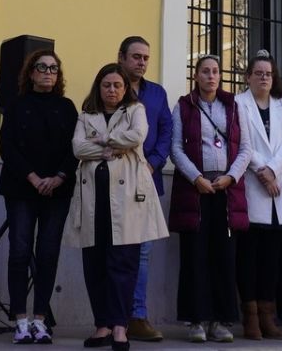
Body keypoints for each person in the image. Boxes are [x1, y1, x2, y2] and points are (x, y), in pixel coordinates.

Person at [73, 64, 170, 351]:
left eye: (117, 85)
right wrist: (113, 147)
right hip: (94, 199)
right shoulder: (86, 114)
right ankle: (101, 325)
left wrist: (102, 140)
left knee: (123, 264)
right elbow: (78, 148)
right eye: (107, 85)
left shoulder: (135, 110)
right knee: (95, 263)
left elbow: (137, 137)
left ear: (125, 89)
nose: (112, 90)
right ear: (98, 87)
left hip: (127, 199)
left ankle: (119, 327)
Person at [0, 47, 77, 346]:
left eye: (53, 68)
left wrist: (58, 178)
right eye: (42, 67)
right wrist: (33, 177)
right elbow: (7, 148)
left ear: (58, 75)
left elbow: (75, 148)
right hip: (21, 188)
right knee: (19, 252)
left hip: (57, 192)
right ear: (31, 72)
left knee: (47, 254)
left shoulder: (68, 107)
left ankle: (40, 321)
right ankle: (20, 321)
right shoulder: (16, 104)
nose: (47, 72)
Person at [169, 55, 246, 343]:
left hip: (225, 190)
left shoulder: (234, 107)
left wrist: (231, 176)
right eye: (205, 71)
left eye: (215, 71)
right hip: (195, 190)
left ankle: (221, 321)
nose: (211, 76)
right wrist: (196, 178)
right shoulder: (184, 107)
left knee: (224, 257)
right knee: (194, 256)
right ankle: (196, 321)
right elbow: (175, 148)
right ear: (196, 75)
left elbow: (245, 148)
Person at [234, 52, 282, 340]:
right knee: (249, 256)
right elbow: (242, 143)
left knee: (273, 259)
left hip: (280, 187)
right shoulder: (239, 103)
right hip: (252, 185)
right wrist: (263, 171)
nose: (263, 78)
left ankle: (268, 316)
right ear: (248, 76)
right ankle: (250, 317)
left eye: (268, 74)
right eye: (258, 73)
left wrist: (273, 170)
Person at [117, 37, 174, 343]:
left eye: (145, 58)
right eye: (136, 56)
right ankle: (114, 317)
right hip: (114, 183)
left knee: (142, 253)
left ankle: (137, 315)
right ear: (121, 57)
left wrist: (153, 162)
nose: (141, 62)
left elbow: (166, 130)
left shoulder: (157, 93)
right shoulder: (110, 86)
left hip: (148, 182)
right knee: (115, 253)